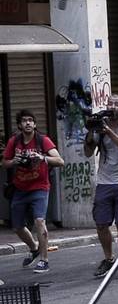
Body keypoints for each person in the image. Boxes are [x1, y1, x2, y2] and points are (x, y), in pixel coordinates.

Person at [84, 92, 118, 277]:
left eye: (117, 104)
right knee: (101, 224)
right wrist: (91, 131)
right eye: (110, 103)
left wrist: (109, 132)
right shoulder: (101, 123)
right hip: (104, 182)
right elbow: (87, 152)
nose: (113, 107)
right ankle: (109, 259)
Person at [3, 110, 63, 273]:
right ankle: (34, 248)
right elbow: (4, 163)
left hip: (39, 187)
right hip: (20, 188)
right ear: (19, 125)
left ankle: (44, 260)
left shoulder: (42, 140)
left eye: (31, 120)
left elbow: (59, 161)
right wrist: (13, 161)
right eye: (24, 121)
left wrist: (42, 157)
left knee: (39, 221)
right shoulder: (14, 141)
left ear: (35, 124)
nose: (28, 123)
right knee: (17, 227)